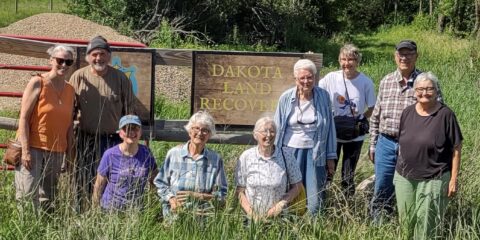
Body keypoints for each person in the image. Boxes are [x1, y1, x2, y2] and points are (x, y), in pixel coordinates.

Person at [369, 40, 443, 222]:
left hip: (412, 145)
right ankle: (379, 226)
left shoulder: (425, 83)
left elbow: (439, 115)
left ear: (416, 56)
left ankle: (408, 224)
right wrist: (372, 145)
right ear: (395, 57)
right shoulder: (386, 81)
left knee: (410, 186)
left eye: (409, 54)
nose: (404, 58)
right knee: (382, 185)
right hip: (385, 143)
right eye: (401, 54)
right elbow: (376, 116)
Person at [69, 35, 137, 211]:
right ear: (88, 57)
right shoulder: (78, 77)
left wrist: (127, 141)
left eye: (102, 53)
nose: (98, 58)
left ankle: (106, 214)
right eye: (94, 54)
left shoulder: (121, 79)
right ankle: (81, 212)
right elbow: (70, 110)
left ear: (109, 55)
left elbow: (129, 112)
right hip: (85, 139)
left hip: (112, 141)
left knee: (110, 180)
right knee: (83, 179)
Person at [394, 72, 462, 239]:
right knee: (406, 222)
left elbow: (456, 148)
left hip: (434, 179)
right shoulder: (407, 112)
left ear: (436, 90)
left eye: (429, 88)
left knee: (426, 225)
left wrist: (453, 180)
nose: (424, 93)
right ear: (414, 91)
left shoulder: (446, 114)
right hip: (405, 177)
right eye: (420, 89)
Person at [15, 44, 76, 211]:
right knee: (27, 194)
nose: (64, 65)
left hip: (56, 150)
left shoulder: (70, 90)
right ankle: (26, 231)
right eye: (60, 60)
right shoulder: (38, 82)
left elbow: (69, 125)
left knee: (49, 196)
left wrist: (70, 154)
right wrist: (25, 151)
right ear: (51, 60)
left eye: (69, 62)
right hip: (34, 147)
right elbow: (24, 118)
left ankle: (45, 230)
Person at [274, 59, 337, 215]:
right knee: (290, 194)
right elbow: (278, 126)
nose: (306, 81)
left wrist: (330, 157)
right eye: (302, 78)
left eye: (310, 77)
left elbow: (329, 129)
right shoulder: (286, 98)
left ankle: (314, 229)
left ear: (315, 78)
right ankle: (288, 227)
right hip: (289, 152)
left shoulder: (323, 96)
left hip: (316, 153)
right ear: (296, 79)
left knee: (315, 198)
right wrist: (275, 155)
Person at [319, 44, 376, 197]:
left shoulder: (366, 82)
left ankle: (347, 204)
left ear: (357, 61)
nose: (347, 63)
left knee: (348, 174)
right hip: (333, 132)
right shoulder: (331, 78)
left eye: (351, 59)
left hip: (355, 134)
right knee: (328, 171)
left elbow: (372, 107)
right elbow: (316, 92)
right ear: (339, 60)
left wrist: (361, 118)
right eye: (343, 59)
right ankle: (324, 201)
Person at [154, 111, 228, 218]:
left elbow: (222, 194)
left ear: (210, 135)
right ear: (189, 131)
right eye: (196, 128)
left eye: (205, 130)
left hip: (203, 220)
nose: (200, 133)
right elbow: (160, 183)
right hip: (174, 217)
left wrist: (198, 196)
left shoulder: (215, 159)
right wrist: (171, 199)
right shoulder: (174, 154)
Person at [235, 117, 303, 221]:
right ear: (255, 135)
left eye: (272, 131)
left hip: (280, 217)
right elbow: (240, 191)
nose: (268, 135)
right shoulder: (246, 156)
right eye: (264, 131)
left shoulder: (286, 155)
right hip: (251, 219)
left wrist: (281, 204)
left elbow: (298, 186)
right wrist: (252, 214)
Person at [92, 115, 158, 211]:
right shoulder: (110, 155)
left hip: (136, 211)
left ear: (140, 132)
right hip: (110, 210)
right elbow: (99, 185)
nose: (131, 132)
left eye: (135, 128)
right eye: (126, 129)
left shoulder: (146, 153)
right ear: (120, 133)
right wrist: (95, 210)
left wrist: (153, 206)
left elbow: (155, 180)